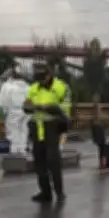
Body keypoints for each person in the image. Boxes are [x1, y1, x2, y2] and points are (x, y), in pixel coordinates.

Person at [23, 64, 71, 203]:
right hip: (37, 128)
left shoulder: (61, 87)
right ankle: (45, 193)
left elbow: (65, 108)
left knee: (53, 161)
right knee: (39, 163)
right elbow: (26, 105)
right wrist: (28, 107)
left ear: (49, 75)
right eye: (37, 78)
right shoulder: (33, 89)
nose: (39, 81)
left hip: (53, 127)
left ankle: (60, 192)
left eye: (42, 77)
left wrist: (46, 108)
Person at [0, 68, 31, 154]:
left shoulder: (7, 86)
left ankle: (15, 152)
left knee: (13, 132)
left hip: (13, 111)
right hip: (26, 112)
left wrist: (0, 112)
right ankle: (23, 150)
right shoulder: (28, 86)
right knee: (23, 131)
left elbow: (1, 101)